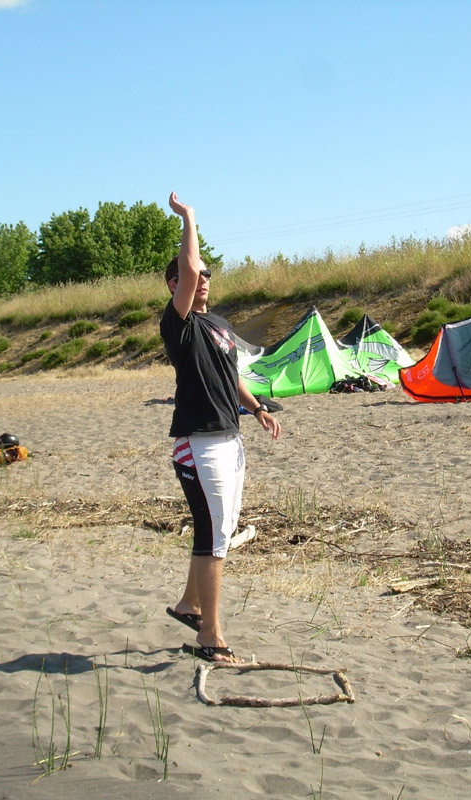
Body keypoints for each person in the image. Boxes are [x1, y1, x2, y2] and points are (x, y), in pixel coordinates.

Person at [160, 192, 281, 663]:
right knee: (214, 537)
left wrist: (256, 408)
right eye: (196, 275)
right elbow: (188, 269)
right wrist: (190, 218)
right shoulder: (179, 324)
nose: (203, 278)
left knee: (220, 530)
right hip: (199, 444)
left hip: (231, 440)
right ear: (175, 286)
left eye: (209, 273)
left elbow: (230, 378)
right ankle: (210, 634)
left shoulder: (221, 326)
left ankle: (188, 604)